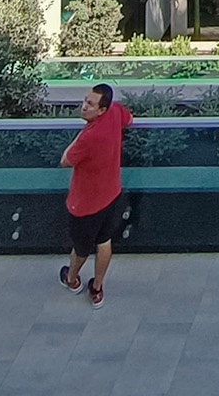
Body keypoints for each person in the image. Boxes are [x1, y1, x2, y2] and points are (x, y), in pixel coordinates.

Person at [58, 83, 133, 309]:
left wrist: (80, 136)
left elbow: (65, 160)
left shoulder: (89, 137)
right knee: (104, 242)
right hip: (112, 196)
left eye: (89, 104)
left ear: (101, 109)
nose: (83, 106)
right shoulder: (115, 111)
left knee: (81, 248)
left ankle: (72, 279)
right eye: (84, 100)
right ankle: (97, 288)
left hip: (85, 206)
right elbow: (129, 119)